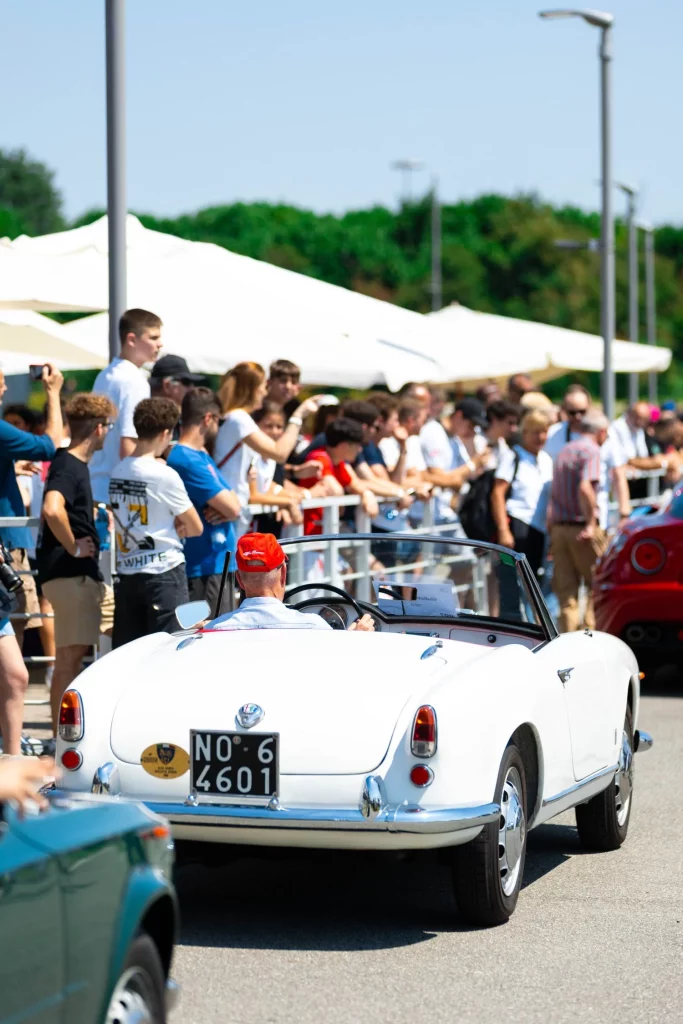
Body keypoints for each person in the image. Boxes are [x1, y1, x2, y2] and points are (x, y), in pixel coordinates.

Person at [38, 394, 117, 732]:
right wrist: (72, 546)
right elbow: (52, 508)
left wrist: (95, 508)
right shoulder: (69, 465)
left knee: (123, 633)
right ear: (99, 429)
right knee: (69, 658)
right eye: (109, 427)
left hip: (83, 578)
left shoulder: (71, 465)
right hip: (70, 577)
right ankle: (61, 739)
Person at [109, 398, 203, 647]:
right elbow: (195, 527)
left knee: (130, 656)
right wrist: (175, 523)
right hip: (164, 573)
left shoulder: (118, 470)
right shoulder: (164, 475)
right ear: (165, 433)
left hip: (128, 574)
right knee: (172, 651)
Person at [213, 362, 320, 538]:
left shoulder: (235, 417)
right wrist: (298, 416)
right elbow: (279, 453)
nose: (265, 391)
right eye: (263, 387)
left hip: (231, 511)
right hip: (227, 513)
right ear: (252, 389)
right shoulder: (239, 418)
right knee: (226, 565)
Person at [0, 364, 64, 654]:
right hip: (8, 545)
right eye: (0, 383)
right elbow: (49, 446)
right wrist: (52, 393)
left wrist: (12, 465)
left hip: (11, 541)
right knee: (15, 628)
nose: (4, 389)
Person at [166, 388, 241, 615]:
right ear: (208, 418)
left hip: (215, 562)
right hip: (203, 567)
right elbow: (234, 506)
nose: (219, 428)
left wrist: (227, 509)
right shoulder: (186, 459)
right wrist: (228, 509)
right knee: (209, 639)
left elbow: (233, 501)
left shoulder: (201, 455)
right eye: (220, 421)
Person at [208, 532, 374, 632]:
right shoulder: (313, 626)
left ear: (239, 580)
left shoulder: (215, 630)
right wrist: (355, 640)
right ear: (283, 574)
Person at [89, 308, 163, 502]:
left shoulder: (105, 374)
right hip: (120, 494)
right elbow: (128, 446)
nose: (160, 344)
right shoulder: (134, 381)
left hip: (97, 486)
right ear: (132, 339)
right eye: (153, 337)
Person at [549, 410, 610, 633]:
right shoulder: (591, 451)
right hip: (581, 529)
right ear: (601, 432)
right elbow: (585, 488)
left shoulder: (565, 450)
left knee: (566, 595)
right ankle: (592, 639)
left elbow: (553, 493)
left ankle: (567, 640)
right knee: (597, 587)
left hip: (559, 529)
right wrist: (591, 524)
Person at [544, 386, 631, 529]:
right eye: (572, 412)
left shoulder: (606, 434)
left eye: (582, 412)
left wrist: (624, 513)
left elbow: (619, 476)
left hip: (595, 520)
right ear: (564, 411)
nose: (578, 416)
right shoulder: (554, 433)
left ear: (589, 407)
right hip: (561, 520)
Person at [491, 411, 553, 578]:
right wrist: (503, 530)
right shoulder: (513, 456)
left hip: (540, 529)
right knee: (514, 581)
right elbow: (497, 493)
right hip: (518, 524)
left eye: (544, 432)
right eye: (535, 432)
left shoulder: (546, 459)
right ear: (524, 433)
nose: (540, 437)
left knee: (536, 581)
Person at [297, 418, 379, 534]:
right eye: (357, 445)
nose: (360, 450)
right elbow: (334, 488)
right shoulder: (318, 457)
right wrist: (341, 503)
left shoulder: (338, 463)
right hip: (305, 536)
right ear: (344, 445)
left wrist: (367, 494)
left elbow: (354, 484)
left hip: (322, 535)